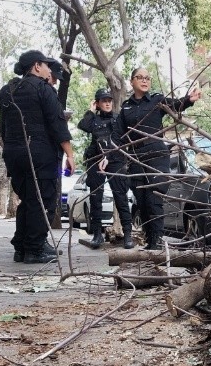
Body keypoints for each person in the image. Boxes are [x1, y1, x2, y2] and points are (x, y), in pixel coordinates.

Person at [0, 50, 76, 264]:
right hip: (40, 155)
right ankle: (35, 249)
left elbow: (3, 128)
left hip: (14, 155)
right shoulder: (43, 89)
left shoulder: (7, 91)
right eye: (47, 66)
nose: (50, 70)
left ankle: (21, 247)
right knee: (43, 200)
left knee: (29, 200)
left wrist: (14, 151)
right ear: (37, 66)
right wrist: (69, 155)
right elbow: (57, 125)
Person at [114, 68, 201, 250]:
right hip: (137, 158)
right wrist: (109, 156)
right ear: (132, 81)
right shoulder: (126, 107)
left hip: (157, 155)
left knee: (154, 199)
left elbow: (175, 104)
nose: (145, 81)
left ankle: (157, 241)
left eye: (147, 78)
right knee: (142, 201)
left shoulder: (156, 99)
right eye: (140, 77)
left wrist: (188, 100)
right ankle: (150, 239)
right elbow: (118, 136)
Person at [78, 88, 134, 249]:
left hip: (115, 160)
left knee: (121, 197)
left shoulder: (118, 118)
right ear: (97, 103)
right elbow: (83, 125)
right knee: (95, 198)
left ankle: (127, 235)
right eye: (104, 101)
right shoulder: (93, 120)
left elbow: (125, 137)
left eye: (109, 100)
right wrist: (90, 110)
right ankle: (97, 234)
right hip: (96, 160)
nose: (108, 103)